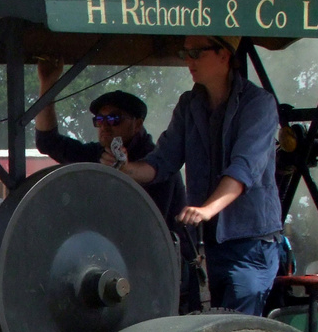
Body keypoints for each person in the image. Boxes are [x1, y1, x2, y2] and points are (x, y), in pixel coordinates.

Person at [117, 36, 283, 316]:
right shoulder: (188, 104)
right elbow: (162, 162)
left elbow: (244, 169)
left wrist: (206, 210)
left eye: (196, 52)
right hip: (205, 248)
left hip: (250, 246)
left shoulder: (260, 105)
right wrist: (127, 168)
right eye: (185, 52)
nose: (188, 60)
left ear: (224, 55)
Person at [34, 61, 197, 308]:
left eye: (114, 118)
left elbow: (145, 227)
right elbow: (48, 141)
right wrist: (48, 84)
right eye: (99, 119)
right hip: (109, 265)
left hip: (156, 273)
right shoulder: (95, 155)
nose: (105, 126)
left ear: (137, 123)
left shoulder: (157, 165)